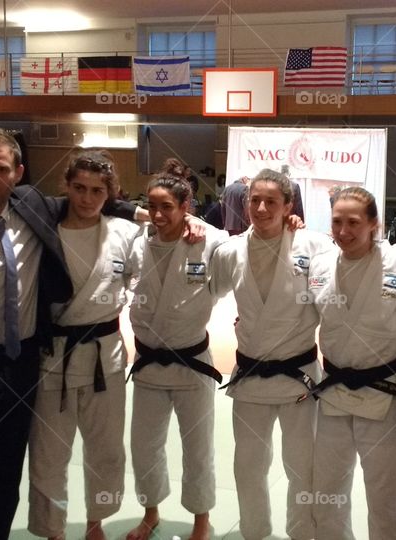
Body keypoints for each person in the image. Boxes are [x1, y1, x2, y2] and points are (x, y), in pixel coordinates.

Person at [0, 128, 142, 539]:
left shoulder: (33, 207)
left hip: (24, 366)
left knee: (8, 476)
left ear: (18, 173)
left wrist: (160, 213)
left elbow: (94, 203)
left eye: (2, 169)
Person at [209, 168, 331, 540]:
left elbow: (335, 301)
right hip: (250, 377)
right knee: (248, 467)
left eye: (271, 202)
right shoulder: (230, 252)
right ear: (245, 203)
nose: (261, 208)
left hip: (300, 377)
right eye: (255, 200)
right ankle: (254, 532)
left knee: (302, 468)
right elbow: (207, 291)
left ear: (288, 205)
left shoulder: (313, 247)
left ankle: (302, 534)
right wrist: (193, 231)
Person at [27, 151, 140, 540]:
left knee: (106, 449)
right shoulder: (42, 232)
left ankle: (96, 522)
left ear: (110, 193)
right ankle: (53, 530)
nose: (87, 199)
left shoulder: (124, 233)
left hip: (104, 356)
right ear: (66, 187)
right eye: (79, 188)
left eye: (97, 190)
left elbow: (145, 277)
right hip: (53, 357)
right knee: (48, 453)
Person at [306, 187, 396, 540]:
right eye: (337, 222)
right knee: (327, 488)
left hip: (384, 391)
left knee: (384, 494)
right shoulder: (320, 264)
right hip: (334, 390)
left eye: (354, 222)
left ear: (375, 224)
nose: (344, 231)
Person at [126, 172, 228, 540]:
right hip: (149, 364)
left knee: (197, 448)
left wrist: (201, 226)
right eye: (152, 206)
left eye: (167, 207)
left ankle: (202, 520)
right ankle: (150, 513)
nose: (157, 215)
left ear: (186, 208)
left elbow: (240, 244)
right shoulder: (137, 245)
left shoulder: (209, 242)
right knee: (144, 445)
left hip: (192, 364)